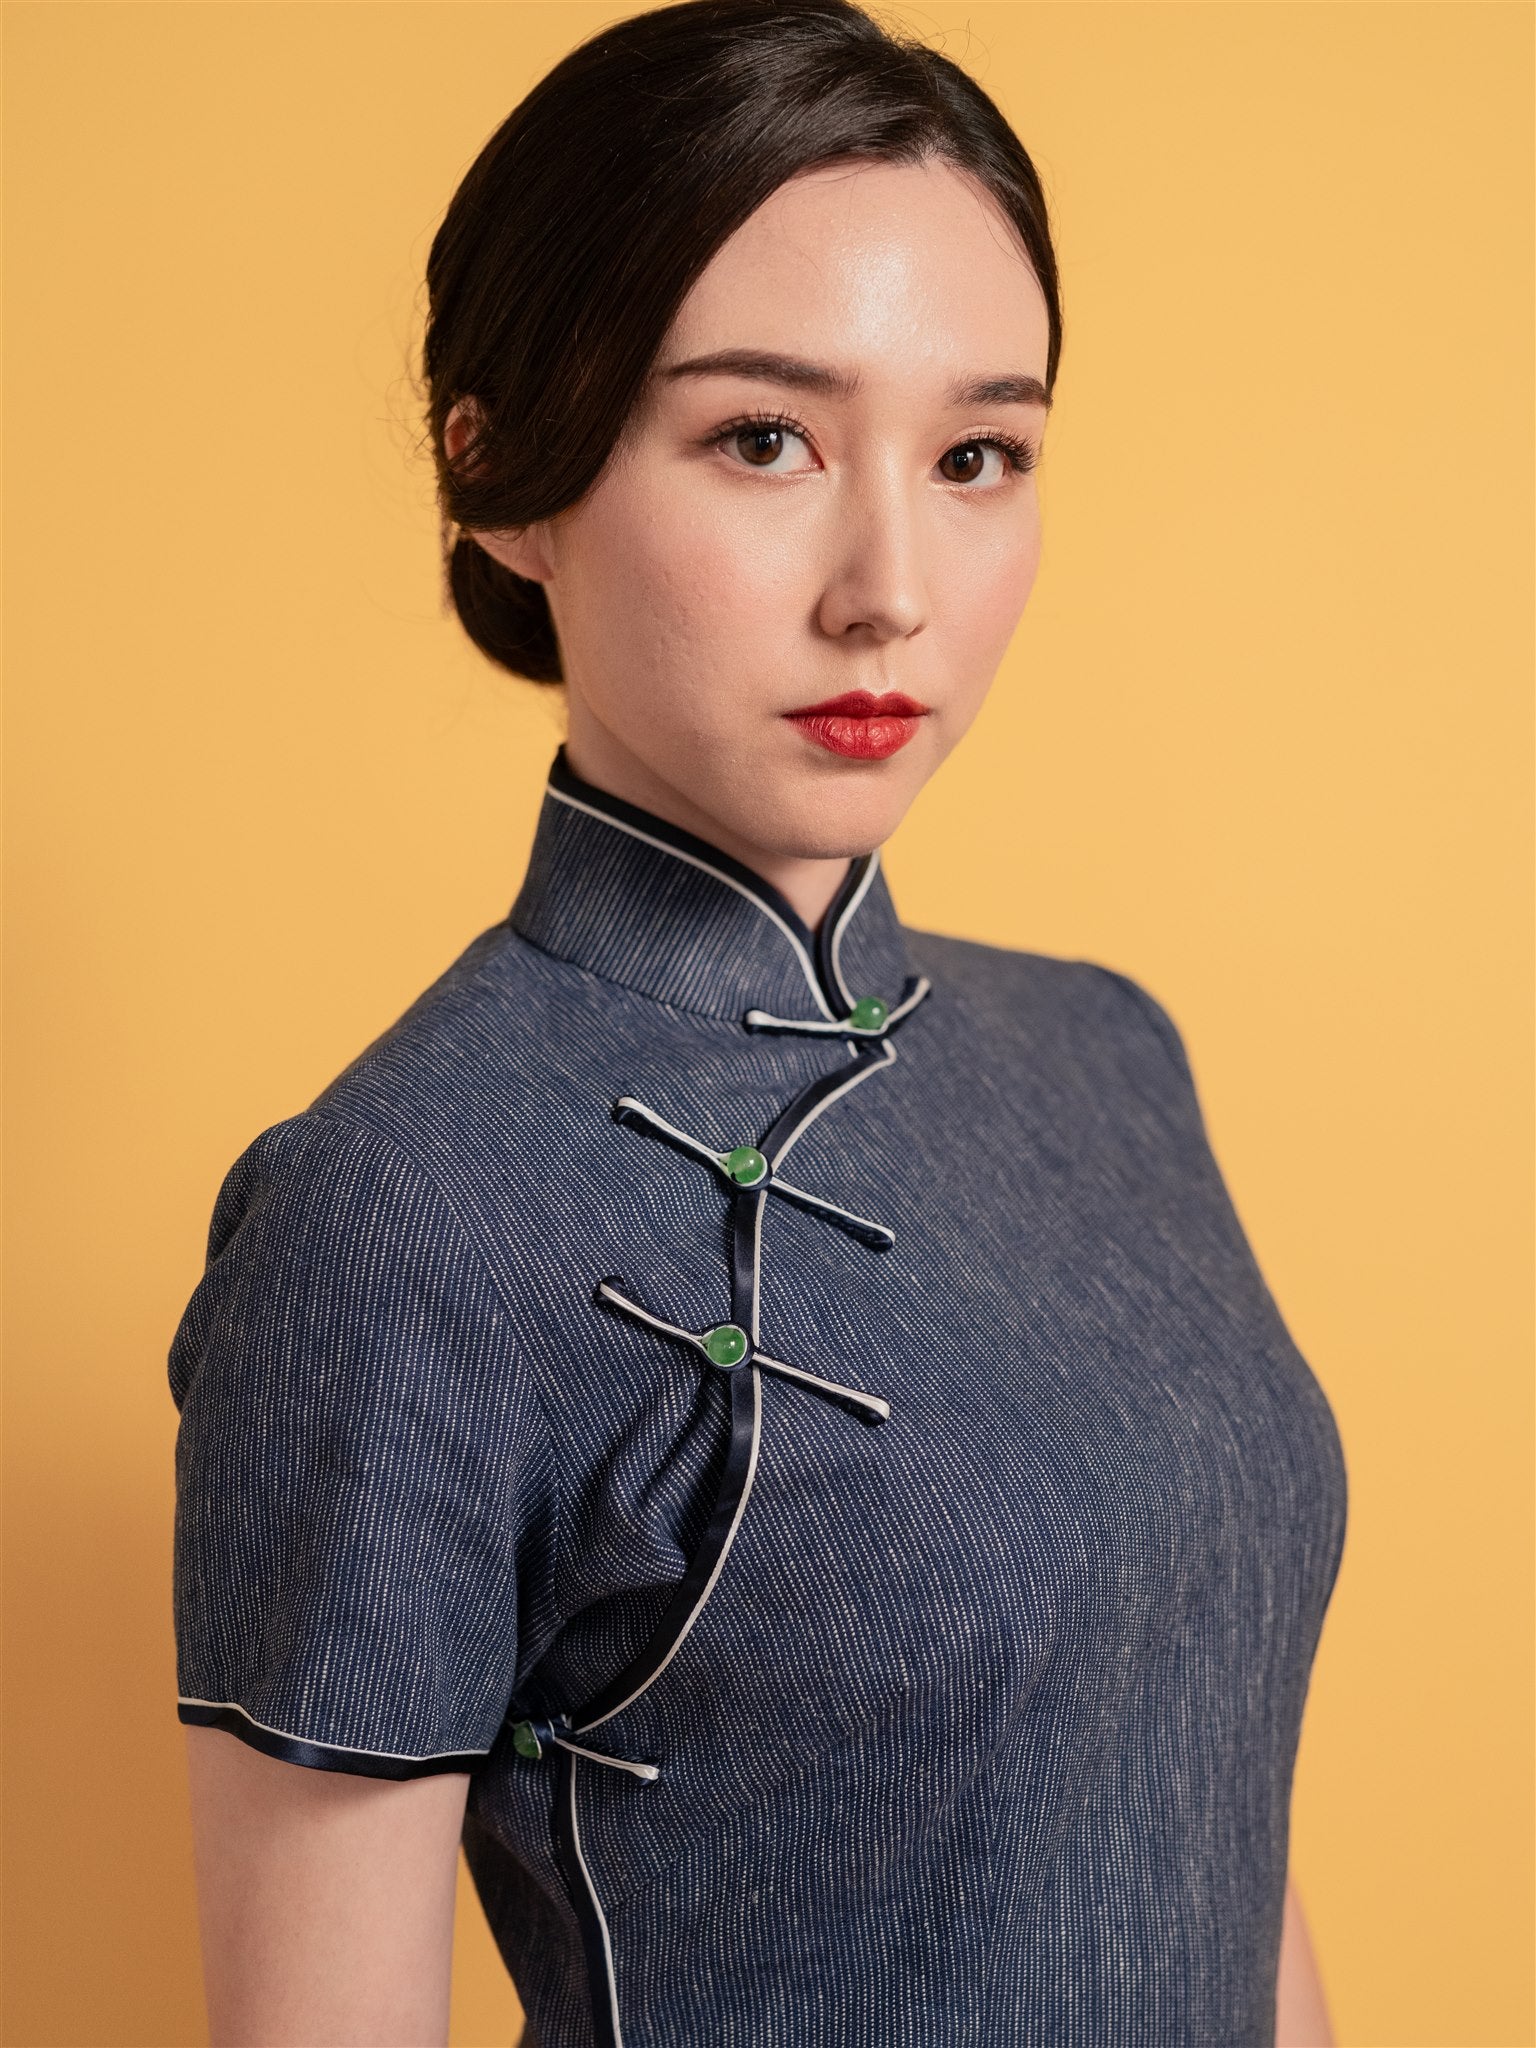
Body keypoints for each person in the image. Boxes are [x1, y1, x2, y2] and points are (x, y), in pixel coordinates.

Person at [169, 1, 1348, 2043]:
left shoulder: (1110, 1054)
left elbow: (1202, 1810)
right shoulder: (395, 1210)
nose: (890, 583)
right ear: (501, 469)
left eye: (979, 453)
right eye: (761, 439)